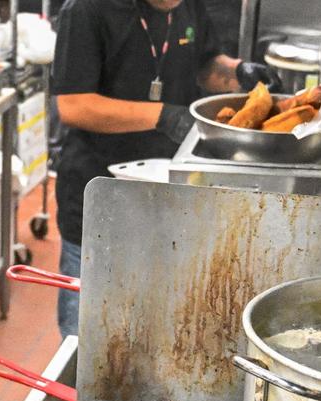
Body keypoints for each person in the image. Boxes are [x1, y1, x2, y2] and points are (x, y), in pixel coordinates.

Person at [50, 0, 278, 337]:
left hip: (167, 187)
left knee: (154, 322)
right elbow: (74, 105)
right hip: (101, 190)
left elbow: (203, 63)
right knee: (88, 332)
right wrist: (162, 116)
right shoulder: (86, 10)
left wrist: (236, 71)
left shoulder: (187, 5)